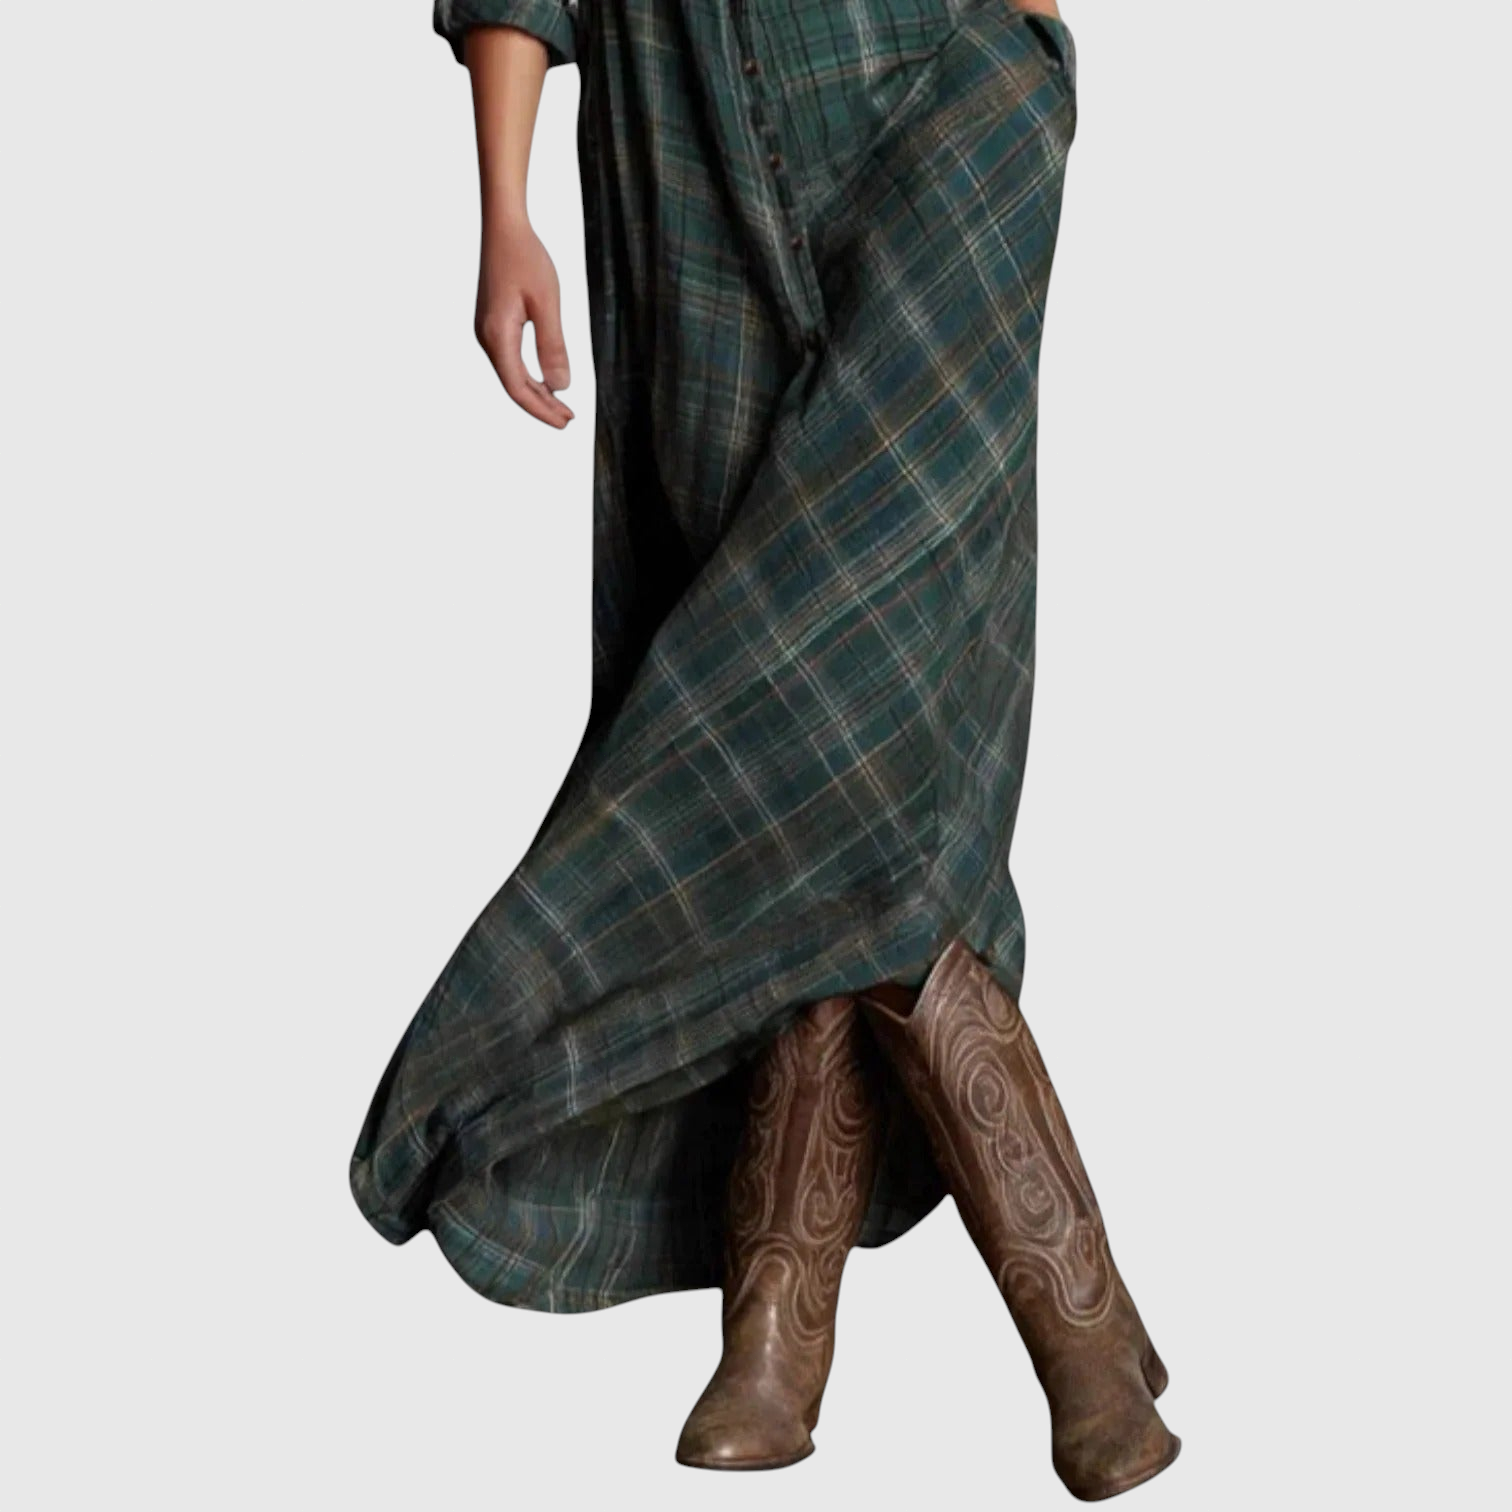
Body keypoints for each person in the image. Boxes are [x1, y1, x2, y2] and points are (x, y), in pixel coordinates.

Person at [350, 0, 1181, 1496]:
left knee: (856, 706)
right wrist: (503, 206)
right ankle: (983, 1323)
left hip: (940, 117)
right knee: (808, 739)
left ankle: (836, 1335)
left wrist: (1034, 70)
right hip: (684, 184)